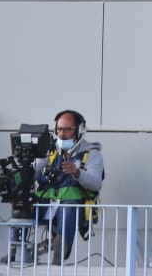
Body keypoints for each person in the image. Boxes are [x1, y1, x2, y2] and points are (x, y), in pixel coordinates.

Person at [32, 109, 104, 266]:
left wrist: (78, 173)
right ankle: (17, 248)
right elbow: (34, 172)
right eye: (59, 129)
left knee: (68, 206)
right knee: (23, 205)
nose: (62, 134)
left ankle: (60, 252)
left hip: (72, 206)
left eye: (67, 129)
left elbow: (96, 182)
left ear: (79, 130)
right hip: (47, 202)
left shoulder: (91, 153)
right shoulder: (49, 151)